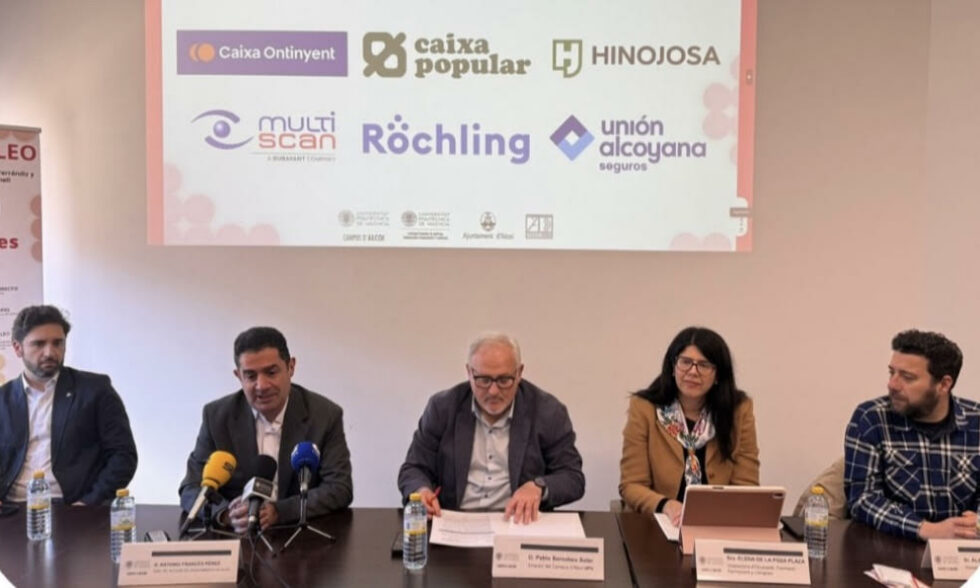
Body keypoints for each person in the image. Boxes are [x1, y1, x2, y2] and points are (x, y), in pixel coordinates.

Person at [179, 326, 352, 533]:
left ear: (291, 367)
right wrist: (226, 514)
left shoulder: (324, 415)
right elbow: (191, 488)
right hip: (237, 537)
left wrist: (280, 511)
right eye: (251, 376)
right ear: (238, 376)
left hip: (299, 534)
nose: (262, 385)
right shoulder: (217, 416)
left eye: (271, 372)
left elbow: (339, 488)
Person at [398, 333, 585, 524]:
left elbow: (573, 477)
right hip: (454, 522)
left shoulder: (548, 412)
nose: (493, 391)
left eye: (504, 380)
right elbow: (413, 469)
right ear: (469, 372)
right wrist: (421, 491)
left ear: (519, 373)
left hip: (519, 524)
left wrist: (539, 487)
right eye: (483, 380)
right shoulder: (443, 408)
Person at [845, 329, 980, 540]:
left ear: (944, 384)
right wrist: (925, 529)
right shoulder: (872, 418)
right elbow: (863, 499)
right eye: (892, 373)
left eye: (907, 377)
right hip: (892, 545)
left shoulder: (976, 422)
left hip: (962, 547)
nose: (892, 384)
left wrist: (976, 522)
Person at [0, 305, 137, 505]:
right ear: (17, 348)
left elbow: (123, 455)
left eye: (57, 343)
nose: (50, 352)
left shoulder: (95, 390)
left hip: (74, 506)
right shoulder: (3, 400)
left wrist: (88, 503)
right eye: (39, 344)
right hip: (12, 507)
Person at [619, 326, 759, 522]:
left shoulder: (738, 411)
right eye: (685, 362)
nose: (693, 372)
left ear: (718, 374)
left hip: (718, 522)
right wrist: (666, 505)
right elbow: (631, 484)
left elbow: (746, 487)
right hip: (659, 522)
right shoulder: (644, 408)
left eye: (704, 365)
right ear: (672, 366)